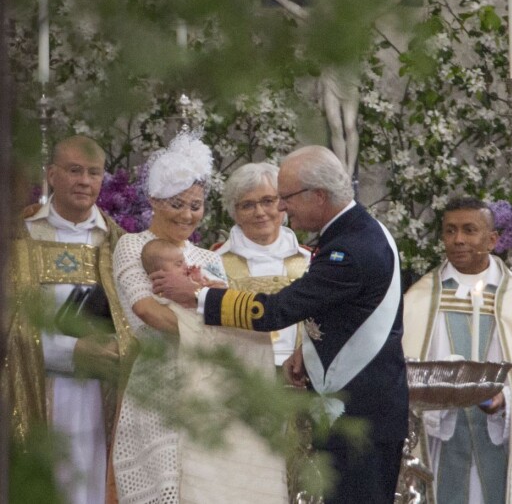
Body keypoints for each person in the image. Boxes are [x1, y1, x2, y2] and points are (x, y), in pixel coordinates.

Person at [152, 145, 408, 504]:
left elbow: (276, 311)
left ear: (317, 196)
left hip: (359, 416)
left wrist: (197, 295)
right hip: (360, 407)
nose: (281, 208)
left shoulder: (348, 250)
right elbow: (345, 312)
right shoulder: (359, 230)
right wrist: (308, 348)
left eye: (285, 198)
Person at [111, 132, 288, 504]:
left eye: (196, 205)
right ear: (155, 201)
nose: (188, 214)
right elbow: (146, 311)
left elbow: (225, 318)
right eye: (178, 203)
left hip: (211, 387)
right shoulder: (132, 246)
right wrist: (204, 323)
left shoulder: (210, 259)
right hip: (160, 383)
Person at [403, 197, 512, 504]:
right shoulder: (418, 300)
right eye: (450, 231)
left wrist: (505, 399)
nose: (458, 240)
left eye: (469, 230)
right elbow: (404, 370)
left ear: (493, 239)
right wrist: (436, 395)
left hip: (502, 445)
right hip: (440, 445)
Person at [5, 135, 130, 504]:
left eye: (94, 173)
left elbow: (136, 322)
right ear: (52, 175)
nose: (84, 181)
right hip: (34, 387)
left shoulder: (119, 243)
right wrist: (70, 351)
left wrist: (116, 348)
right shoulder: (16, 238)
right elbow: (8, 322)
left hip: (100, 396)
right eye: (74, 170)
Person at [215, 162, 310, 368]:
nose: (260, 212)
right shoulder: (214, 262)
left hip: (299, 378)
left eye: (268, 201)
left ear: (283, 204)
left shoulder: (309, 261)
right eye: (247, 205)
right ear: (234, 212)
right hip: (239, 378)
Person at [266, 0, 361, 178]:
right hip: (329, 78)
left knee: (350, 125)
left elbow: (377, 10)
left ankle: (350, 167)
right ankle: (342, 167)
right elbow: (299, 11)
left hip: (348, 81)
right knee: (334, 124)